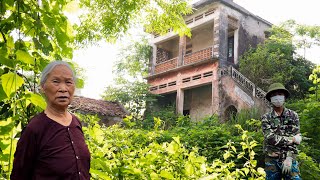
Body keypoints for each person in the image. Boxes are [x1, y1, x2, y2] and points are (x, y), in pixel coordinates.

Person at [11, 61, 90, 180]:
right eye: (56, 82)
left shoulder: (76, 122)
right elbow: (19, 175)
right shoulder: (35, 128)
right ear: (43, 87)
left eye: (68, 82)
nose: (63, 89)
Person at [261, 83, 301, 180]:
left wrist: (289, 157)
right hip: (272, 159)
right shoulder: (266, 118)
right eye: (274, 95)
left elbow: (297, 137)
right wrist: (292, 139)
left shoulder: (293, 115)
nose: (277, 97)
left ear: (284, 97)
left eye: (279, 94)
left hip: (289, 157)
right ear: (270, 98)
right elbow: (270, 138)